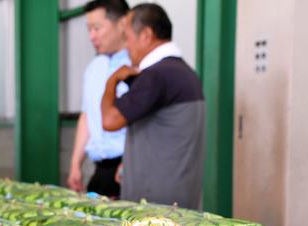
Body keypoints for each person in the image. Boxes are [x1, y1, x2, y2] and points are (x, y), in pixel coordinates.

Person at [101, 3, 205, 209]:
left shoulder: (155, 76)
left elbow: (109, 120)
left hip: (155, 207)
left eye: (127, 38)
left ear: (146, 35)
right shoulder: (185, 73)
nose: (126, 46)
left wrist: (112, 81)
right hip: (182, 198)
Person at [67, 0, 130, 198]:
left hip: (127, 170)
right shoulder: (94, 68)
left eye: (97, 28)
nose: (91, 36)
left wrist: (131, 163)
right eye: (89, 29)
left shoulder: (137, 66)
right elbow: (87, 116)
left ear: (122, 25)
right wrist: (75, 164)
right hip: (100, 170)